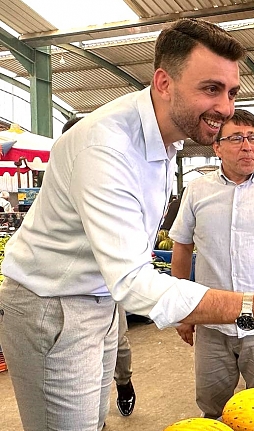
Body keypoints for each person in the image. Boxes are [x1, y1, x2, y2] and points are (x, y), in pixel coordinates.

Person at [0, 18, 254, 431]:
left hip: (97, 300)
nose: (225, 108)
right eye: (211, 89)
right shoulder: (106, 145)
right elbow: (133, 279)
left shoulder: (163, 141)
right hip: (55, 305)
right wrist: (249, 307)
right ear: (164, 82)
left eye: (231, 92)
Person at [169, 109, 254, 418]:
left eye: (253, 138)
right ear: (217, 147)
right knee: (212, 405)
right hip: (211, 321)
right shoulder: (197, 190)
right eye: (236, 139)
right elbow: (182, 247)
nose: (248, 146)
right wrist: (182, 311)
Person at [60, 112, 137, 418]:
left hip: (109, 281)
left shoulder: (111, 177)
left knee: (118, 343)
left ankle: (124, 382)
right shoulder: (62, 180)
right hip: (71, 288)